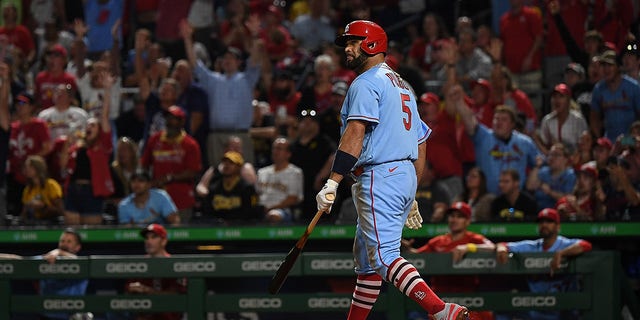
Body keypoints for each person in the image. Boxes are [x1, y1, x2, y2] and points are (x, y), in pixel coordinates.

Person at [316, 20, 469, 320]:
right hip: (401, 176)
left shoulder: (365, 82)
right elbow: (421, 140)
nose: (347, 48)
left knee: (385, 260)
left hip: (378, 176)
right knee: (367, 263)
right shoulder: (403, 85)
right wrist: (410, 190)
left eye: (353, 41)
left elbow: (355, 133)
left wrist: (332, 181)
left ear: (371, 43)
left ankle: (440, 311)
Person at [492, 208, 593, 320]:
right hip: (536, 309)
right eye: (541, 222)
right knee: (502, 312)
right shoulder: (532, 246)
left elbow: (585, 245)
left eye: (549, 221)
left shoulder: (565, 244)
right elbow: (503, 244)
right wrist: (501, 249)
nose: (544, 225)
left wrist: (562, 253)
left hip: (563, 309)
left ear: (558, 226)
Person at [402, 201, 495, 320]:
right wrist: (407, 248)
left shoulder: (473, 239)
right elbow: (419, 257)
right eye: (452, 216)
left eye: (459, 216)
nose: (454, 220)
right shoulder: (438, 241)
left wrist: (469, 247)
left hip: (467, 297)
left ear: (467, 221)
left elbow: (492, 247)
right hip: (440, 297)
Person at [140, 106, 202, 223]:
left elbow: (193, 172)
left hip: (180, 197)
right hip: (156, 197)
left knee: (180, 233)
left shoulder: (190, 144)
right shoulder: (155, 139)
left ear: (182, 122)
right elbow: (144, 164)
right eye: (168, 118)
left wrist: (170, 177)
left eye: (173, 119)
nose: (169, 122)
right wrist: (147, 182)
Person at [125, 223, 186, 320]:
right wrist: (133, 289)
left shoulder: (174, 265)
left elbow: (176, 295)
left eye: (154, 237)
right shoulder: (138, 265)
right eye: (147, 238)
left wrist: (147, 290)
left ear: (163, 241)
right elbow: (128, 291)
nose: (149, 241)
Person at [199, 151, 261, 224]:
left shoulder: (247, 188)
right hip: (218, 227)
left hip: (241, 228)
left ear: (239, 167)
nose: (226, 165)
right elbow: (208, 211)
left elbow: (252, 211)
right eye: (224, 162)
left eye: (231, 163)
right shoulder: (214, 188)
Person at [256, 137, 304, 223]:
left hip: (283, 210)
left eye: (279, 149)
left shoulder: (294, 172)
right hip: (261, 210)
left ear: (288, 154)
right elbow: (256, 195)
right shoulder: (262, 172)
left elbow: (292, 199)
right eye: (274, 148)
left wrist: (271, 208)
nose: (275, 151)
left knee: (273, 215)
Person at [20, 155, 64, 225]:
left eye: (30, 167)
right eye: (26, 167)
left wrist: (43, 206)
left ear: (38, 168)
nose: (27, 169)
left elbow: (60, 210)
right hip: (33, 222)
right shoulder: (28, 189)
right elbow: (24, 213)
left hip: (51, 222)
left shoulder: (51, 185)